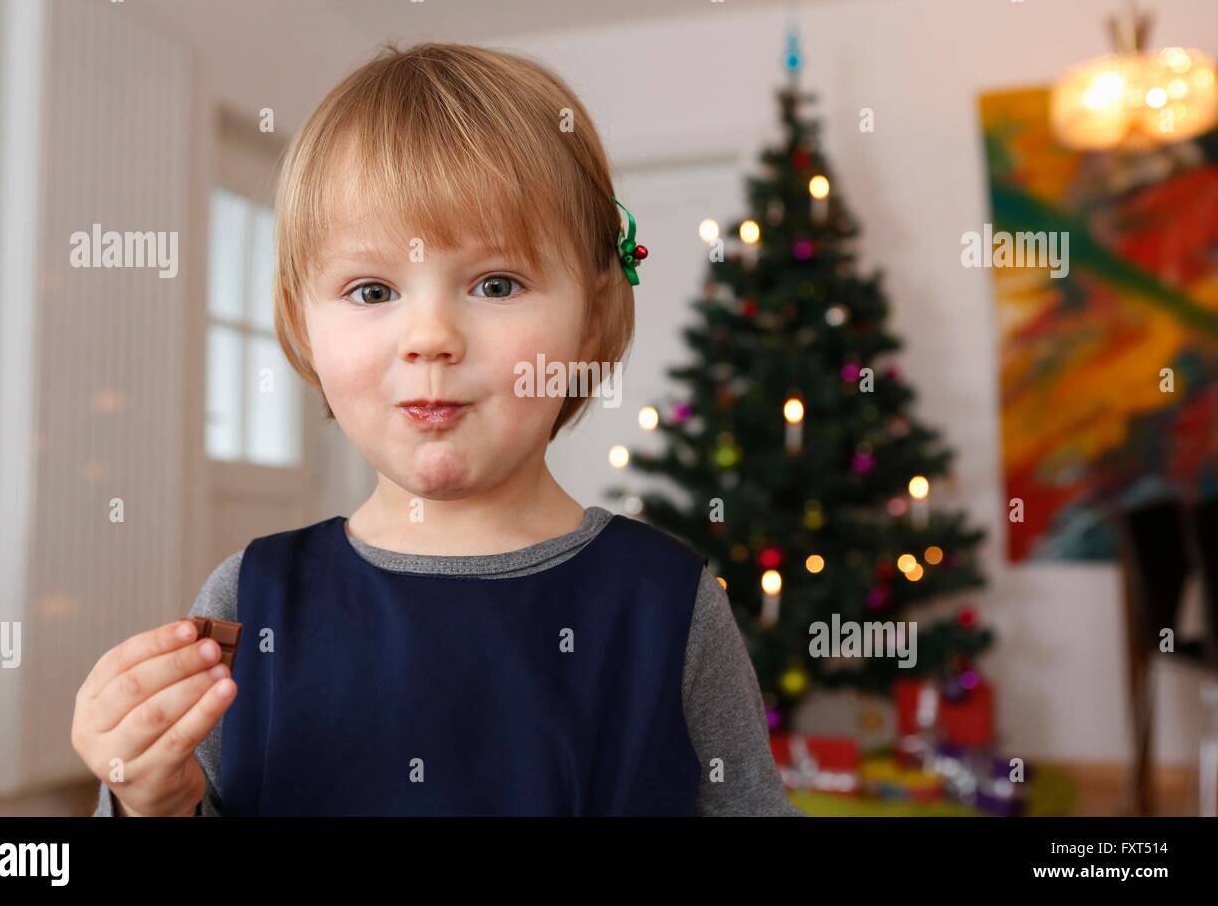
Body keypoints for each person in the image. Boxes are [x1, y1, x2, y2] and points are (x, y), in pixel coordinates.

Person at [72, 42, 803, 816]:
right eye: (371, 289)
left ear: (592, 315)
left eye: (495, 283)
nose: (430, 336)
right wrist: (151, 802)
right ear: (300, 325)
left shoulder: (669, 606)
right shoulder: (250, 599)